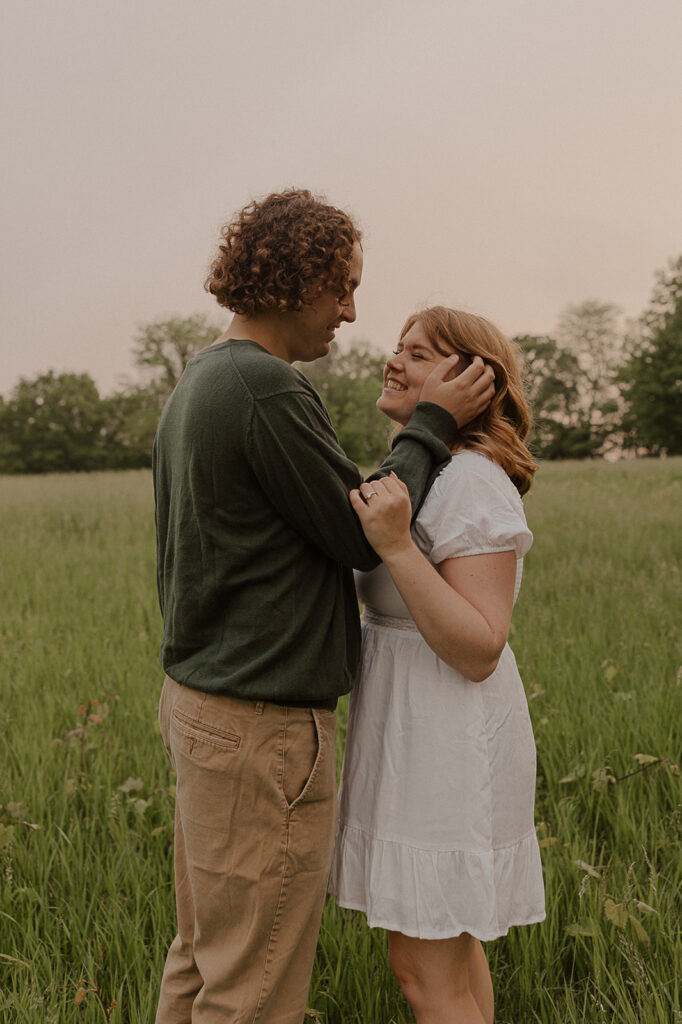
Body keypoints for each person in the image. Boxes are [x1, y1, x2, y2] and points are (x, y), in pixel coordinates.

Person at [153, 191, 495, 1024]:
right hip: (260, 729)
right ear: (294, 279)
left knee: (204, 962)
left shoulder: (202, 377)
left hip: (206, 710)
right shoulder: (263, 386)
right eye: (340, 286)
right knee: (253, 991)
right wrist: (433, 425)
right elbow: (361, 528)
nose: (349, 311)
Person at [329, 306, 546, 1024]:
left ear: (472, 380)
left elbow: (483, 644)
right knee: (445, 956)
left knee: (425, 968)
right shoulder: (431, 471)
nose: (393, 360)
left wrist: (394, 546)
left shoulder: (471, 481)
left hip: (448, 736)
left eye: (418, 354)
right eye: (397, 347)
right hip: (414, 726)